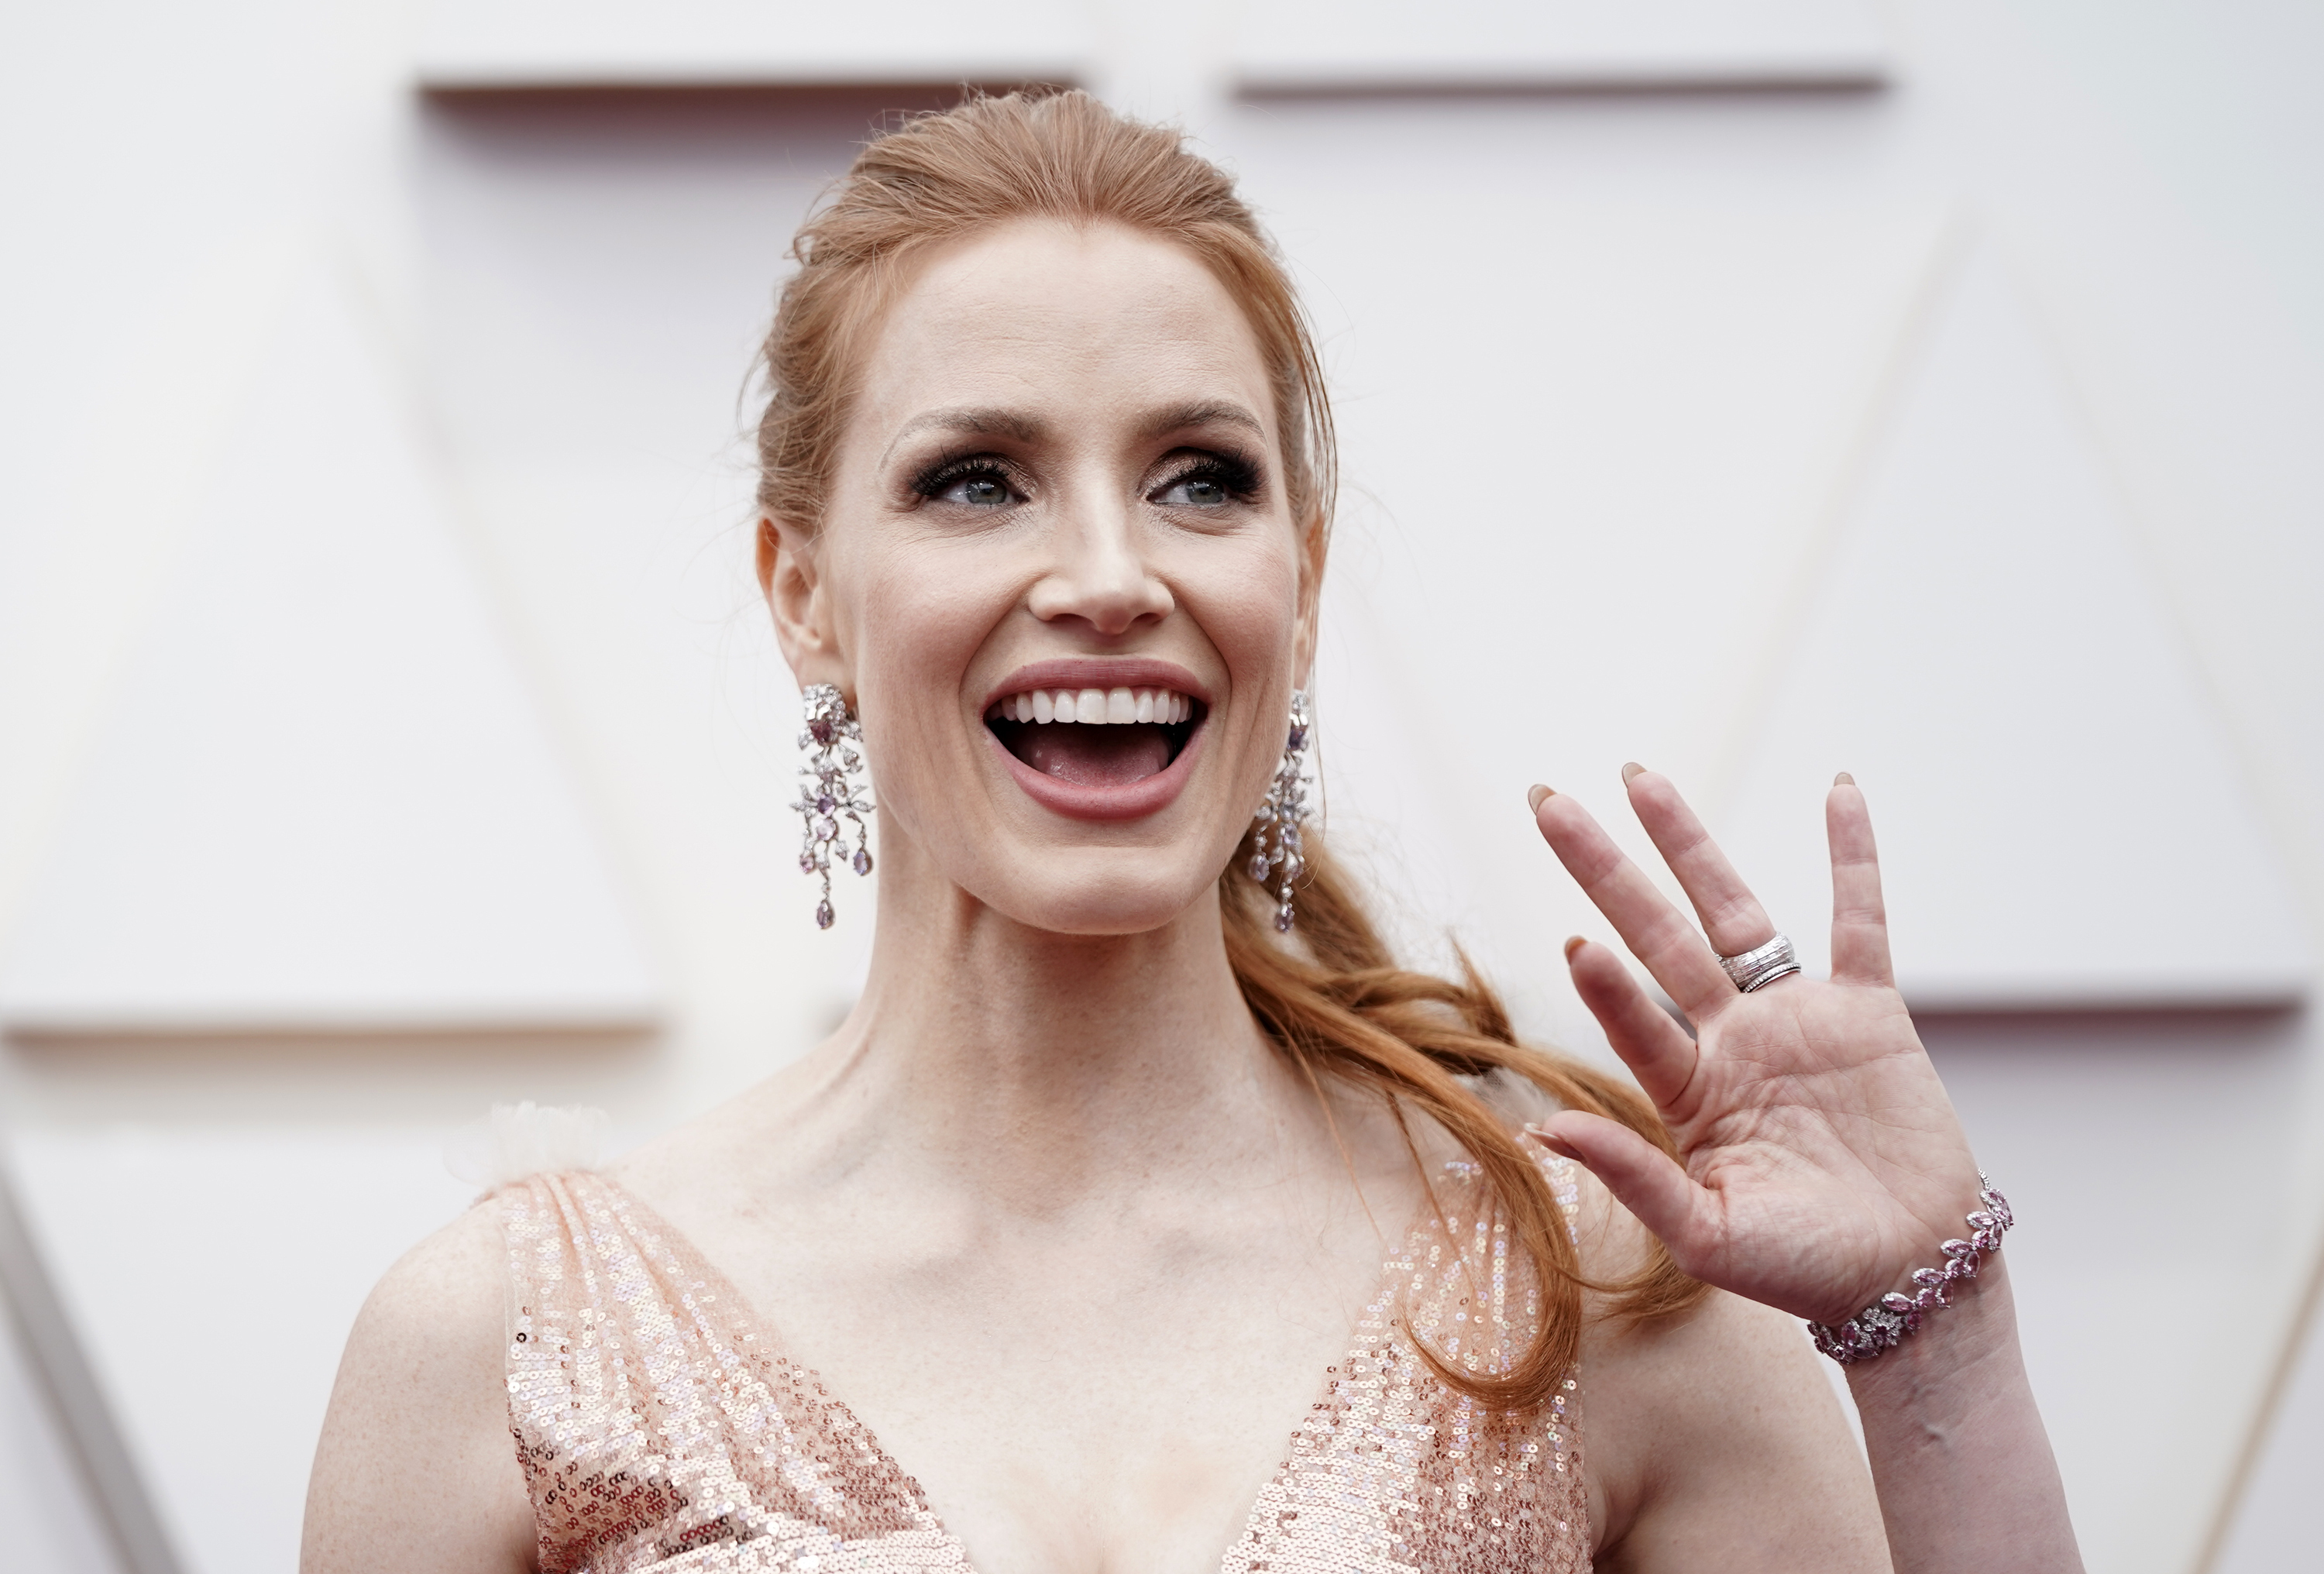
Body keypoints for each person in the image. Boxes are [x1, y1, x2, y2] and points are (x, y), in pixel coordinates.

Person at [301, 90, 2082, 1573]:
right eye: (976, 478)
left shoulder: (1600, 1283)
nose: (1105, 574)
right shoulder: (502, 1349)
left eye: (1199, 477)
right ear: (804, 594)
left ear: (1298, 589)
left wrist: (1936, 1334)